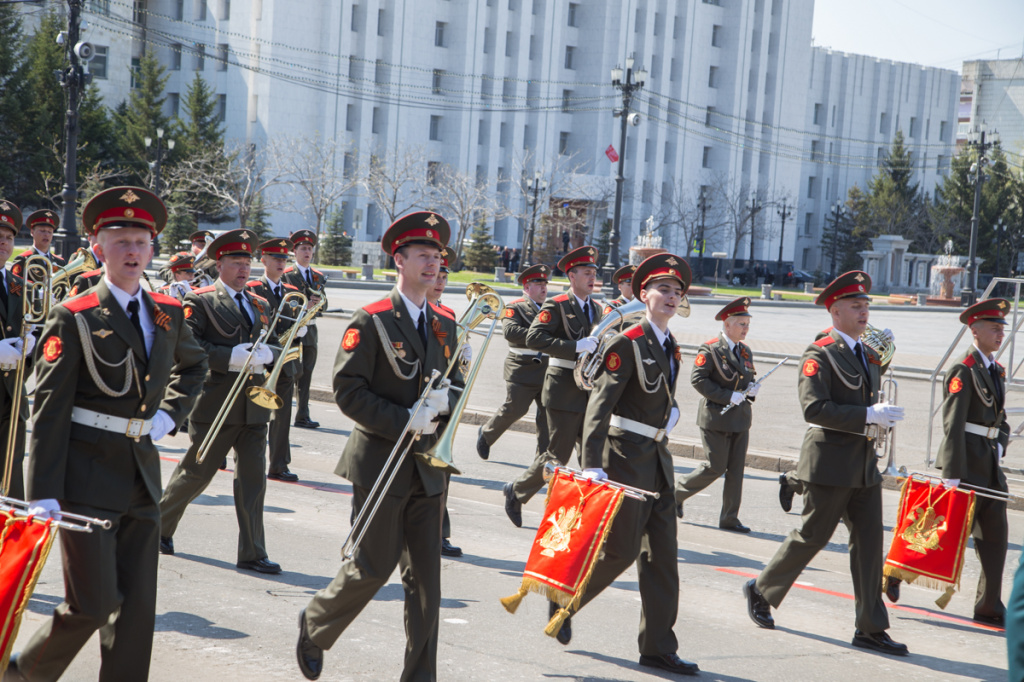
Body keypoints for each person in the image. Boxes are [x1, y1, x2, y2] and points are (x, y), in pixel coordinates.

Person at [6, 186, 207, 682]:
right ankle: (23, 673)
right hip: (84, 478)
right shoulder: (73, 317)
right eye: (120, 240)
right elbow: (49, 410)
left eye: (141, 240)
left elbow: (195, 366)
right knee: (92, 604)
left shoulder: (168, 311)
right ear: (98, 246)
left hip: (140, 475)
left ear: (153, 248)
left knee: (137, 615)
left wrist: (171, 415)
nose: (133, 251)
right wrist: (43, 494)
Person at [295, 212, 461, 681]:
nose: (433, 265)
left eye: (438, 257)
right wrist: (405, 420)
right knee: (372, 566)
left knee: (428, 584)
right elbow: (348, 390)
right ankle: (315, 623)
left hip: (427, 468)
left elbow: (457, 383)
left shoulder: (446, 323)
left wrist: (446, 407)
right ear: (400, 260)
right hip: (381, 461)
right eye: (423, 256)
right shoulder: (371, 320)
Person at [743, 270, 909, 656]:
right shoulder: (819, 354)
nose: (864, 311)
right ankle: (762, 589)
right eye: (856, 305)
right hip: (830, 462)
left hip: (863, 463)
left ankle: (870, 626)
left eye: (866, 305)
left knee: (869, 545)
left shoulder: (867, 355)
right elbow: (814, 408)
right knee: (812, 536)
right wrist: (869, 413)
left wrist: (878, 416)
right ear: (835, 311)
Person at [564, 253, 697, 675]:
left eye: (677, 292)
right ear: (644, 294)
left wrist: (669, 415)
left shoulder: (670, 345)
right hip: (622, 458)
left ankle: (658, 646)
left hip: (657, 460)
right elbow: (598, 408)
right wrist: (590, 462)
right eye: (663, 289)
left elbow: (656, 396)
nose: (671, 297)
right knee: (620, 551)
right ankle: (564, 601)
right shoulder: (627, 341)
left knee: (663, 557)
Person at [157, 228, 284, 574]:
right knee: (197, 473)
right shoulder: (200, 301)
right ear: (219, 264)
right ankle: (159, 527)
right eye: (236, 262)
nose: (244, 269)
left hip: (254, 406)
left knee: (254, 480)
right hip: (215, 404)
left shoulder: (259, 303)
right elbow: (186, 348)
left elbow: (268, 343)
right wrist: (230, 357)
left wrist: (269, 354)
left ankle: (253, 552)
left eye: (247, 262)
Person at [935, 298, 1011, 627]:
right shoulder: (963, 369)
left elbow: (1001, 418)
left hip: (990, 464)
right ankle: (898, 573)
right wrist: (952, 474)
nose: (1000, 333)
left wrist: (1001, 445)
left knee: (996, 538)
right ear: (974, 330)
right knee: (941, 535)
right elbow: (952, 423)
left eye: (1001, 328)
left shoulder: (995, 369)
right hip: (966, 463)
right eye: (993, 328)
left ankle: (989, 605)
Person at [675, 296, 757, 533]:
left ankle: (729, 518)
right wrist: (727, 395)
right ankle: (675, 493)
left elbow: (746, 378)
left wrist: (751, 391)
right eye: (741, 324)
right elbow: (698, 380)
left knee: (736, 471)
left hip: (740, 419)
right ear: (727, 324)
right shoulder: (710, 348)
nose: (745, 329)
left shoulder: (745, 351)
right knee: (715, 466)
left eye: (747, 324)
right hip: (716, 417)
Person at [477, 264, 551, 462]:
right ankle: (486, 434)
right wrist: (541, 338)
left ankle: (542, 462)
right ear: (527, 287)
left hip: (547, 370)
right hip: (522, 369)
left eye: (545, 284)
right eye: (538, 284)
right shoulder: (515, 307)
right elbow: (511, 332)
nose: (544, 288)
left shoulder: (550, 309)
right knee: (515, 408)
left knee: (547, 417)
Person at [246, 238, 306, 483]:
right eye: (276, 259)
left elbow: (295, 324)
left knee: (282, 418)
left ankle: (279, 465)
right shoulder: (252, 288)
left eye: (284, 259)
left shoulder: (292, 293)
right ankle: (242, 457)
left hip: (284, 361)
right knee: (250, 416)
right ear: (264, 260)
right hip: (260, 360)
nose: (281, 263)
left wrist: (301, 329)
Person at [425, 247, 462, 558]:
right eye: (436, 276)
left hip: (440, 407)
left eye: (444, 277)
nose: (440, 281)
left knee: (441, 470)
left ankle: (439, 532)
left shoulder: (449, 316)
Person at [0, 202, 32, 500]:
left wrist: (30, 348)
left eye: (8, 237)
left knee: (12, 487)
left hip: (12, 399)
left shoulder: (18, 285)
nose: (3, 242)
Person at [283, 230, 326, 430]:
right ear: (295, 251)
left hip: (310, 330)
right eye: (303, 248)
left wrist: (319, 303)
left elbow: (325, 304)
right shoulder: (287, 275)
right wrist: (303, 306)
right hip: (292, 330)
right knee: (291, 373)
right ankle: (281, 413)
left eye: (310, 249)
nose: (307, 252)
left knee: (307, 374)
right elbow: (283, 302)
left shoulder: (318, 276)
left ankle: (302, 415)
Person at [10, 209, 65, 278]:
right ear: (32, 232)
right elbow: (16, 286)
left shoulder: (60, 262)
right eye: (42, 231)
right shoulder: (23, 259)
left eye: (50, 232)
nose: (46, 235)